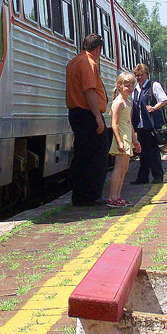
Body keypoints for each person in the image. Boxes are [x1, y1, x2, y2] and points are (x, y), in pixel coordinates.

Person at [65, 34, 110, 206]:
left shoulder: (73, 62)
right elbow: (89, 91)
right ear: (98, 48)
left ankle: (79, 194)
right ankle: (92, 195)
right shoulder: (89, 63)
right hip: (88, 114)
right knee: (97, 155)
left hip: (75, 113)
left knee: (82, 155)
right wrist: (98, 118)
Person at [107, 72, 140, 208]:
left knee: (124, 168)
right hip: (121, 137)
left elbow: (129, 123)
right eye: (127, 85)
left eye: (132, 85)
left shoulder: (127, 102)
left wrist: (135, 140)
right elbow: (114, 123)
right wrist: (119, 141)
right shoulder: (119, 102)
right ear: (119, 86)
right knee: (119, 168)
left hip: (127, 138)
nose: (131, 88)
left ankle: (118, 196)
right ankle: (112, 197)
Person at [131, 62, 167, 184]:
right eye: (137, 75)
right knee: (142, 151)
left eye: (141, 75)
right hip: (140, 125)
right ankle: (143, 177)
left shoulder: (154, 85)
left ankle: (158, 176)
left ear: (146, 75)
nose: (139, 78)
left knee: (153, 151)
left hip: (151, 124)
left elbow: (164, 99)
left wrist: (154, 108)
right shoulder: (135, 89)